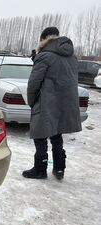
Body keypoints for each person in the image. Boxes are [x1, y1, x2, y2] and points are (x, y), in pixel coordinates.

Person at [23, 27, 81, 180]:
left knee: (40, 134)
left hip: (46, 101)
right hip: (64, 103)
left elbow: (34, 83)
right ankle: (59, 169)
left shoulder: (45, 56)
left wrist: (32, 101)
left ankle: (40, 169)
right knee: (56, 134)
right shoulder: (71, 57)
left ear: (44, 39)